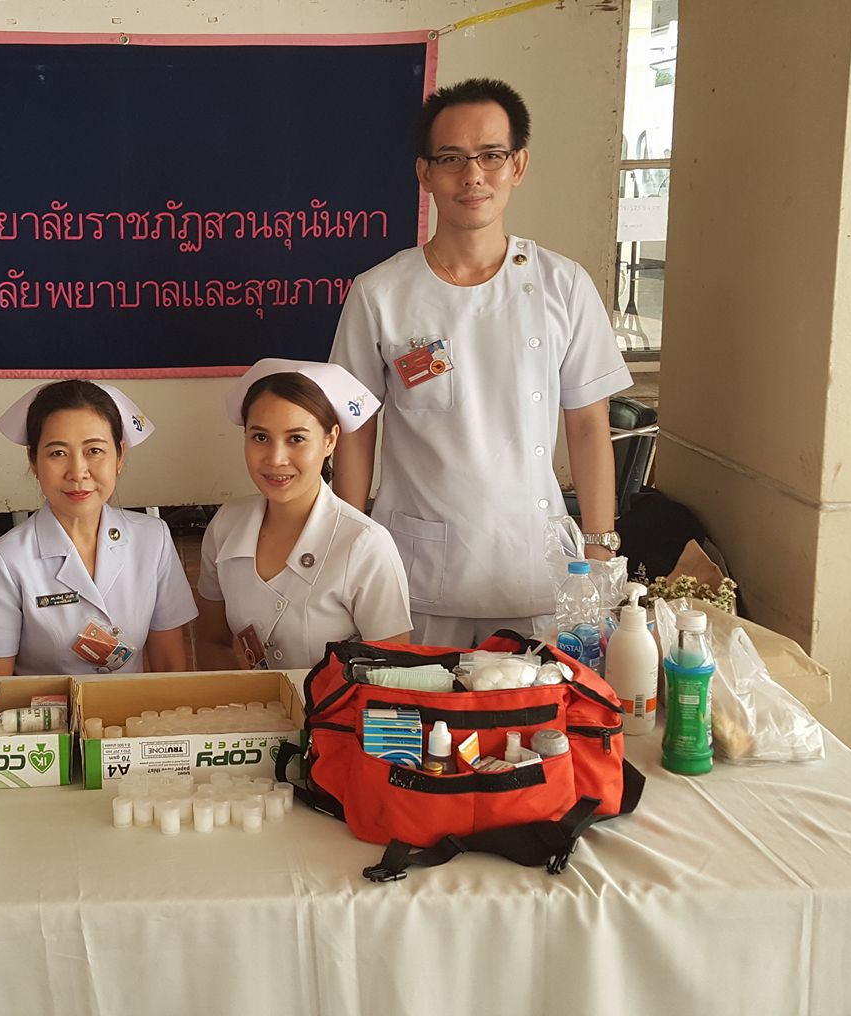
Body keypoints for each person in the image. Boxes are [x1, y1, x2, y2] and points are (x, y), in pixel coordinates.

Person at [330, 78, 632, 647]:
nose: (473, 176)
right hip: (416, 573)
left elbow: (589, 425)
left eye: (491, 156)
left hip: (537, 568)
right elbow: (355, 428)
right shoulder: (380, 293)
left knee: (537, 702)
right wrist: (347, 543)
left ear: (518, 165)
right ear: (424, 173)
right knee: (416, 701)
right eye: (451, 159)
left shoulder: (562, 285)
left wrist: (599, 547)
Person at [0, 380, 196, 676]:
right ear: (34, 461)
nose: (78, 472)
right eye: (58, 453)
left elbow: (170, 668)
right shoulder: (4, 560)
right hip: (40, 709)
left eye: (94, 450)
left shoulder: (153, 539)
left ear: (119, 456)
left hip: (132, 707)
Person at [195, 360, 412, 670]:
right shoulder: (226, 526)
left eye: (296, 438)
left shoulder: (365, 544)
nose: (276, 459)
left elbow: (391, 672)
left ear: (330, 440)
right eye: (260, 437)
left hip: (339, 704)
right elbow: (210, 642)